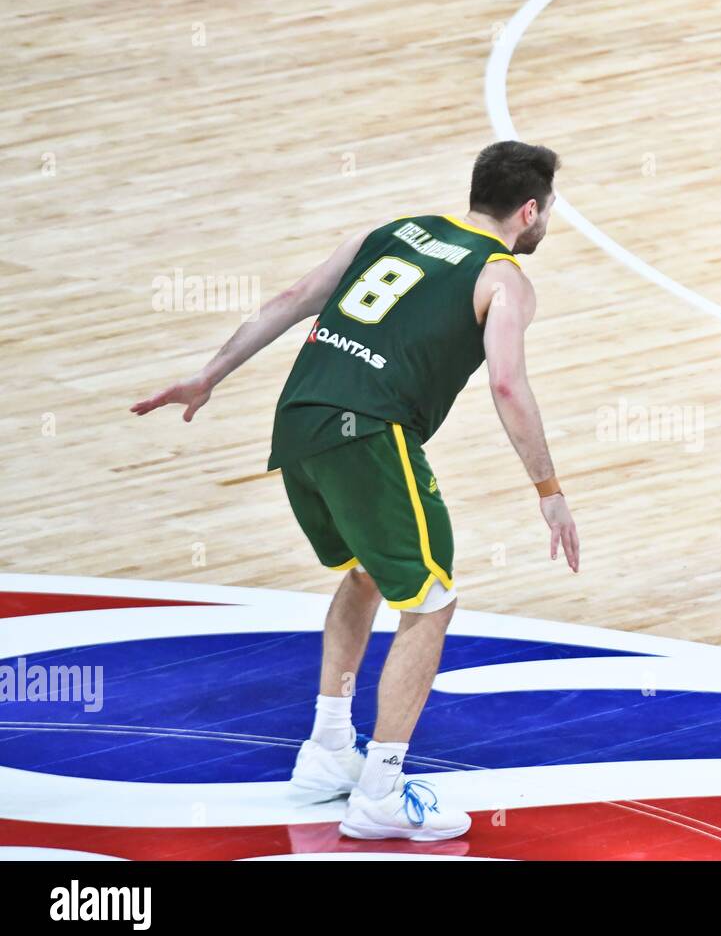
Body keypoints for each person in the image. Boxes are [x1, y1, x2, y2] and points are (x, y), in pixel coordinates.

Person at [132, 140, 579, 840]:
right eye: (550, 207)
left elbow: (290, 301)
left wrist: (210, 374)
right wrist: (548, 488)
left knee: (366, 574)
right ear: (529, 210)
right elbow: (506, 384)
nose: (548, 218)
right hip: (368, 433)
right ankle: (381, 791)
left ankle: (329, 752)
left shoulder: (392, 230)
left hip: (300, 417)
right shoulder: (504, 278)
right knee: (432, 604)